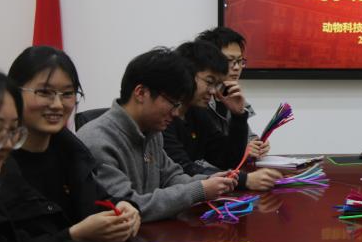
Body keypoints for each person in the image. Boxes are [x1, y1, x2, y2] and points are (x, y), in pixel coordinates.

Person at [0, 72, 146, 242]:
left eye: (12, 130)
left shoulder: (70, 153)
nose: (6, 145)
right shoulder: (14, 174)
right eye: (45, 92)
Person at [77, 48, 237, 222]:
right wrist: (199, 190)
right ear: (141, 93)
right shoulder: (97, 142)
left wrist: (208, 181)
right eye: (173, 103)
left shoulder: (151, 131)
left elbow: (171, 177)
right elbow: (128, 206)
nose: (176, 113)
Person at [1, 46, 139, 242]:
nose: (58, 105)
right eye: (44, 92)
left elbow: (99, 200)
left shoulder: (71, 152)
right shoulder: (3, 162)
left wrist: (126, 207)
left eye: (67, 93)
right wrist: (75, 235)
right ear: (14, 93)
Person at [163, 41, 280, 191]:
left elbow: (227, 159)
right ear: (187, 75)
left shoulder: (196, 113)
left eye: (216, 84)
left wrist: (238, 115)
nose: (213, 91)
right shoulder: (163, 118)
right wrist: (244, 180)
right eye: (209, 82)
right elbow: (184, 170)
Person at [194, 27, 269, 159]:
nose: (236, 67)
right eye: (229, 61)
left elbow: (247, 138)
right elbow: (202, 154)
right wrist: (243, 150)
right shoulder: (198, 100)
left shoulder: (233, 96)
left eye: (240, 61)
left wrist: (257, 145)